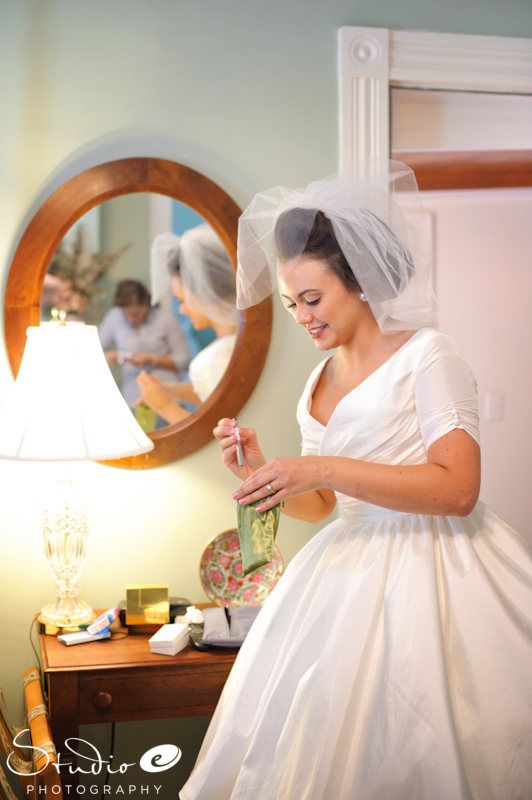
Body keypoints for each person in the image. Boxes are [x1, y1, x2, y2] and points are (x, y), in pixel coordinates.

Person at [179, 164, 532, 800]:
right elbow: (321, 506)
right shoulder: (318, 381)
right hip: (342, 574)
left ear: (361, 282)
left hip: (438, 568)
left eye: (313, 300)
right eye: (291, 304)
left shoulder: (429, 355)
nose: (302, 317)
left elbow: (458, 491)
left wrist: (320, 467)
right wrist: (259, 470)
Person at [136, 224, 238, 423]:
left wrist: (164, 406)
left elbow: (217, 437)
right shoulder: (240, 344)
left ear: (202, 294)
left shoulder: (218, 357)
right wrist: (173, 391)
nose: (182, 310)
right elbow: (221, 395)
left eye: (181, 300)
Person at [98, 279, 190, 410]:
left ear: (146, 304)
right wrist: (109, 356)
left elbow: (184, 359)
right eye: (126, 314)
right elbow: (95, 348)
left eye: (136, 314)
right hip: (132, 398)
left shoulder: (165, 319)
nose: (131, 319)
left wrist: (152, 359)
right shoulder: (114, 317)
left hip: (167, 395)